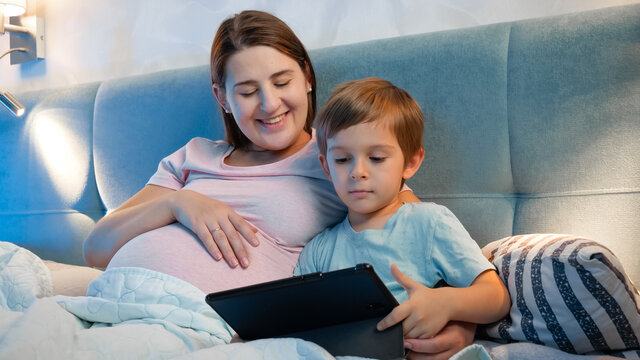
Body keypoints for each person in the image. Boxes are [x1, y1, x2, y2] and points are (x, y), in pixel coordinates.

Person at [82, 10, 476, 357]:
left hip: (204, 327)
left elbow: (419, 243)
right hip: (115, 299)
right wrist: (178, 204)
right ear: (222, 97)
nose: (269, 104)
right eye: (248, 91)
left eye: (281, 81)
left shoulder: (341, 159)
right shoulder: (194, 156)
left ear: (307, 77)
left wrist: (460, 324)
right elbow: (96, 248)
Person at [295, 77, 511, 357]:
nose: (357, 171)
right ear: (326, 166)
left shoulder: (429, 223)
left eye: (376, 158)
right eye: (342, 159)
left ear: (410, 162)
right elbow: (294, 317)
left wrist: (446, 303)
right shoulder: (319, 249)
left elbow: (497, 298)